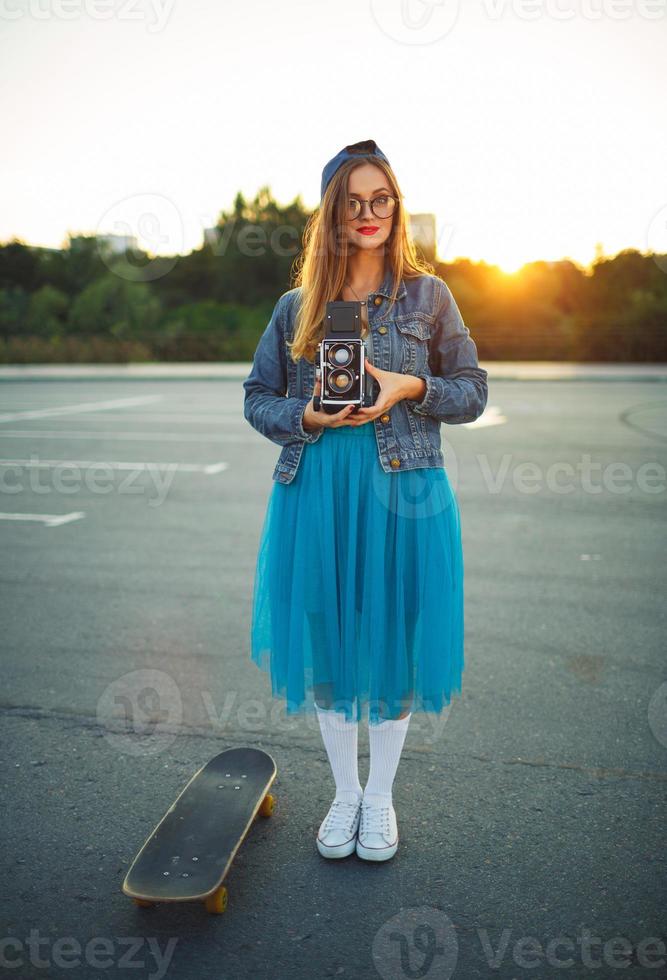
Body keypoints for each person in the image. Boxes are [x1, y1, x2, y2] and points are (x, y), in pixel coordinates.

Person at [243, 139, 488, 862]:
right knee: (326, 640)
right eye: (354, 200)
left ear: (395, 205)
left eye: (381, 198)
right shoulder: (296, 306)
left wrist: (411, 387)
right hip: (316, 490)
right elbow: (257, 398)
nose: (370, 212)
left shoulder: (429, 295)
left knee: (393, 645)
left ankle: (378, 795)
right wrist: (305, 415)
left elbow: (472, 391)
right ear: (333, 212)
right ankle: (343, 794)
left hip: (402, 490)